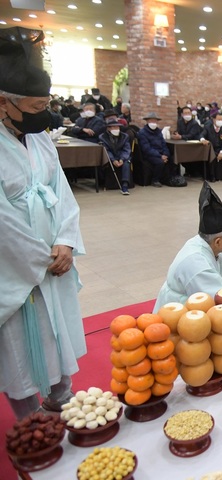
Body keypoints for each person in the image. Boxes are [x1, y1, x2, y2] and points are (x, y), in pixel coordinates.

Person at [0, 27, 86, 420]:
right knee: (20, 342)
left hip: (54, 254)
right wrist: (37, 259)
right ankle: (29, 414)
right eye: (35, 108)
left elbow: (61, 191)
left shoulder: (40, 139)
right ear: (4, 103)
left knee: (58, 330)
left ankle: (61, 395)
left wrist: (65, 241)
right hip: (16, 264)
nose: (43, 116)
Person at [154, 183, 222, 311]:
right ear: (218, 241)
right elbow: (220, 294)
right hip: (176, 313)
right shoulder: (196, 263)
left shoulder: (212, 247)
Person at [137, 112, 172, 187]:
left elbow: (163, 144)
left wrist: (165, 154)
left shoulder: (159, 131)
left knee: (171, 158)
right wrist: (160, 156)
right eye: (151, 121)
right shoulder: (142, 133)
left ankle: (167, 178)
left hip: (160, 153)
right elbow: (146, 148)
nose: (154, 123)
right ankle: (155, 180)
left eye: (155, 121)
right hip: (149, 154)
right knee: (160, 162)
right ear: (147, 121)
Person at [98, 120, 132, 195]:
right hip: (110, 157)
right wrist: (113, 160)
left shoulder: (124, 136)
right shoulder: (102, 137)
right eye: (114, 127)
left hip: (122, 156)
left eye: (117, 127)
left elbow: (127, 149)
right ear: (108, 129)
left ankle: (125, 185)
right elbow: (106, 150)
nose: (116, 129)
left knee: (127, 163)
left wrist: (122, 159)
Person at [201, 112, 222, 183]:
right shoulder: (208, 128)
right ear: (213, 119)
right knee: (212, 157)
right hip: (212, 149)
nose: (220, 121)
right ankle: (212, 176)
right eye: (218, 119)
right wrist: (203, 140)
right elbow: (202, 135)